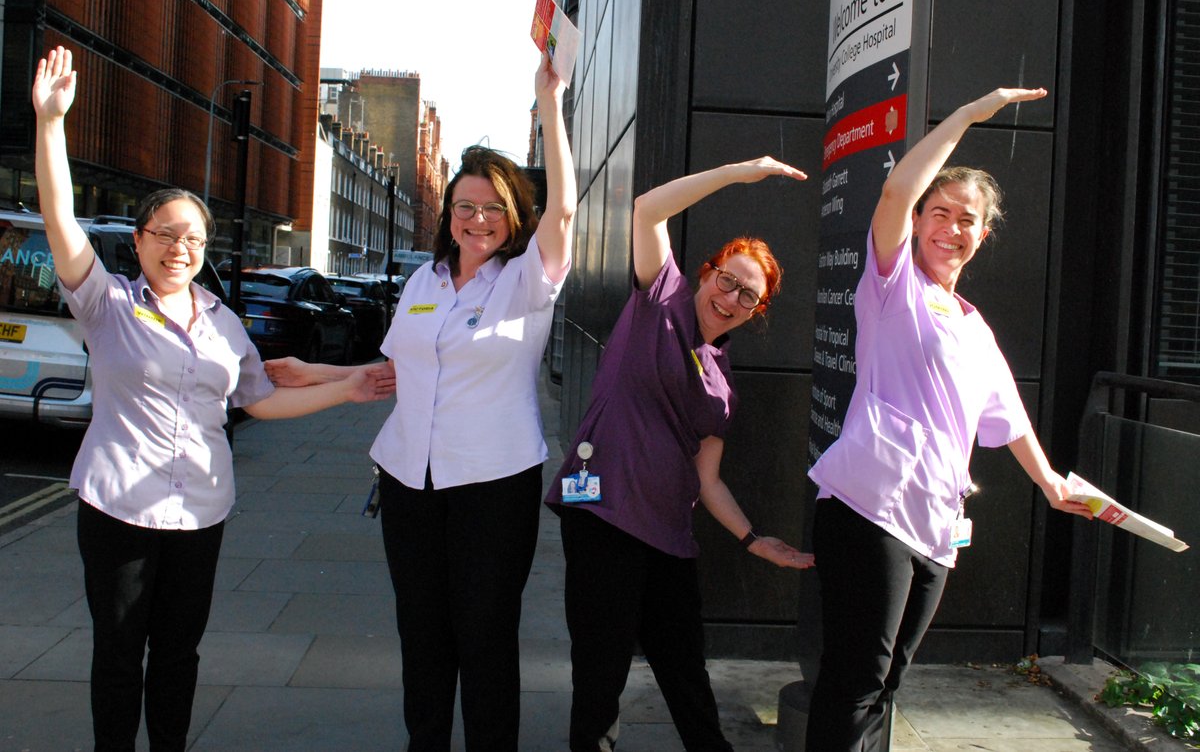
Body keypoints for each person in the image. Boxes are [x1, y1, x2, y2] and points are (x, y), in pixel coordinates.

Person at [31, 46, 390, 751]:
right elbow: (61, 222)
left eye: (192, 237)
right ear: (138, 242)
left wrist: (345, 388)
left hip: (201, 510)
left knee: (178, 653)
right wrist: (50, 125)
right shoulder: (108, 304)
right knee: (117, 651)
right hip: (120, 509)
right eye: (164, 234)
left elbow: (258, 400)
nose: (179, 247)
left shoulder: (225, 324)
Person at [264, 53, 575, 751]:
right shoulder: (424, 282)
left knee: (485, 639)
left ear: (513, 215)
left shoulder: (526, 281)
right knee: (421, 637)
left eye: (493, 208)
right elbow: (398, 372)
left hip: (492, 486)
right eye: (465, 206)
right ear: (451, 214)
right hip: (410, 483)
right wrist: (311, 372)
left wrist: (549, 106)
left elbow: (568, 208)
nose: (476, 219)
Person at [804, 87, 1095, 751]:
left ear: (982, 236)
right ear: (919, 220)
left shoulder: (973, 325)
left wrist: (1051, 484)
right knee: (857, 676)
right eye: (940, 211)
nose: (952, 227)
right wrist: (967, 116)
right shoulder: (892, 285)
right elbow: (890, 196)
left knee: (887, 680)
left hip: (935, 525)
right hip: (868, 510)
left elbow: (1010, 417)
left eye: (968, 220)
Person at [545, 158, 815, 752]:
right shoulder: (659, 296)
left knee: (685, 670)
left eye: (749, 295)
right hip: (605, 518)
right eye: (728, 278)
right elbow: (647, 208)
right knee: (601, 669)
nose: (732, 296)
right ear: (707, 272)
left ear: (755, 312)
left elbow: (709, 481)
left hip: (667, 536)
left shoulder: (723, 383)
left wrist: (752, 539)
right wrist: (741, 172)